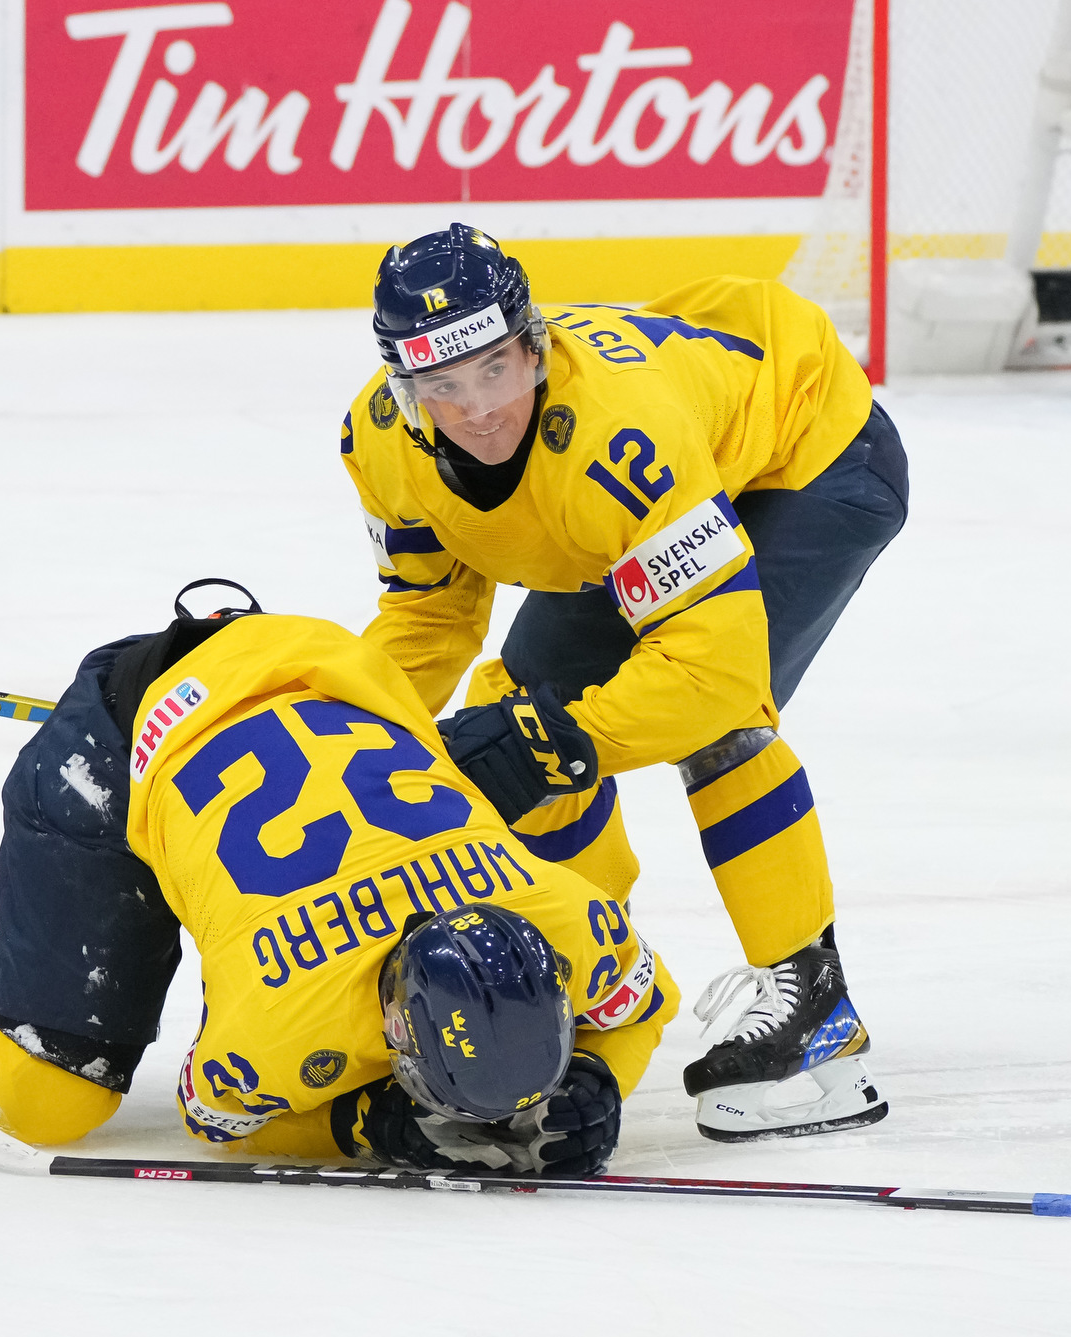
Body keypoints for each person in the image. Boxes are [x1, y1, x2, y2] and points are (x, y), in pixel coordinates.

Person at [339, 224, 905, 1141]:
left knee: (711, 724)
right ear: (404, 388)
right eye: (441, 386)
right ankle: (588, 966)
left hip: (811, 456)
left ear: (535, 346)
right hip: (643, 499)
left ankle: (816, 1012)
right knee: (514, 713)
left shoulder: (618, 435)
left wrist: (561, 744)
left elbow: (711, 675)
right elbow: (428, 618)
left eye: (495, 370)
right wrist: (351, 732)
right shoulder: (382, 445)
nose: (477, 410)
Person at [0, 585, 680, 1173]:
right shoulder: (277, 1014)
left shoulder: (566, 916)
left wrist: (591, 1079)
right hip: (124, 733)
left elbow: (645, 1003)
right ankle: (33, 950)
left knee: (538, 751)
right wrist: (367, 1128)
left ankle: (64, 937)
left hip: (333, 672)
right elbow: (212, 1123)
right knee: (44, 1106)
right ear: (398, 1033)